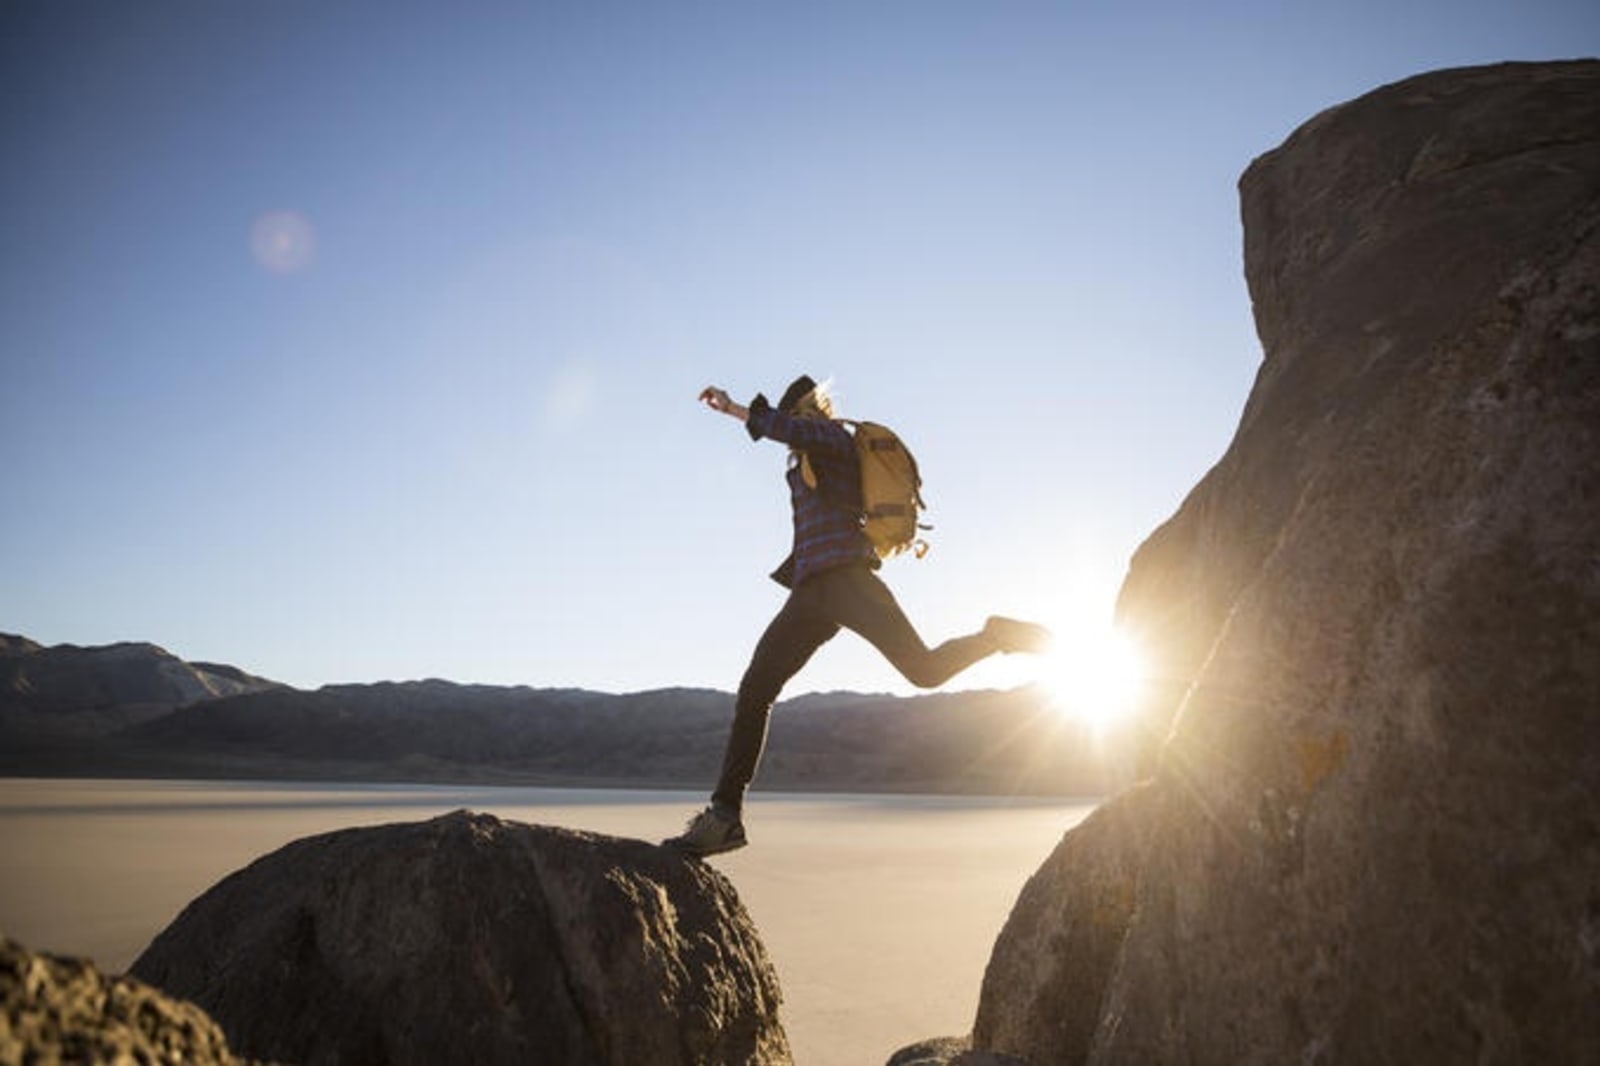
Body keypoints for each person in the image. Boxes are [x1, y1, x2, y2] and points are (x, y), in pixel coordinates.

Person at [664, 375, 1053, 857]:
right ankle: (724, 817)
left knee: (924, 670)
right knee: (756, 688)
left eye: (796, 412)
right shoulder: (805, 462)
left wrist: (737, 410)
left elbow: (792, 431)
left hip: (848, 581)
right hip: (811, 593)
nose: (792, 422)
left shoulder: (830, 438)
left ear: (810, 410)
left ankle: (993, 636)